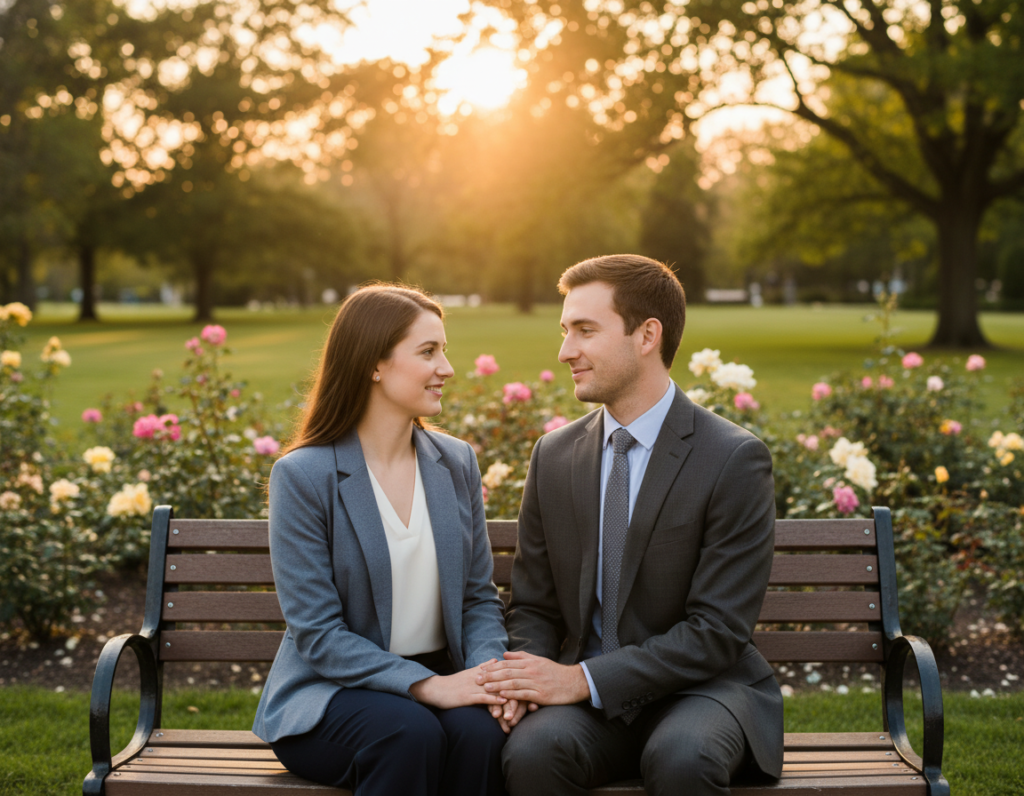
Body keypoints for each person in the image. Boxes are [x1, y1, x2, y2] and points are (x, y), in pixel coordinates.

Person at [477, 255, 783, 796]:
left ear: (647, 336)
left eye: (585, 331)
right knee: (532, 752)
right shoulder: (555, 455)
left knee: (682, 759)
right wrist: (527, 678)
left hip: (702, 691)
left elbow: (717, 631)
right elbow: (534, 604)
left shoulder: (733, 458)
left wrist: (580, 680)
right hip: (588, 702)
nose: (565, 351)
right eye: (565, 331)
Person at [252, 283, 511, 796]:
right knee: (408, 733)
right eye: (428, 352)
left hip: (444, 673)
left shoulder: (455, 461)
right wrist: (427, 687)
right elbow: (319, 635)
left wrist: (488, 678)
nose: (447, 368)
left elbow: (478, 598)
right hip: (333, 693)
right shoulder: (304, 476)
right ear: (375, 364)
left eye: (444, 350)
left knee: (483, 733)